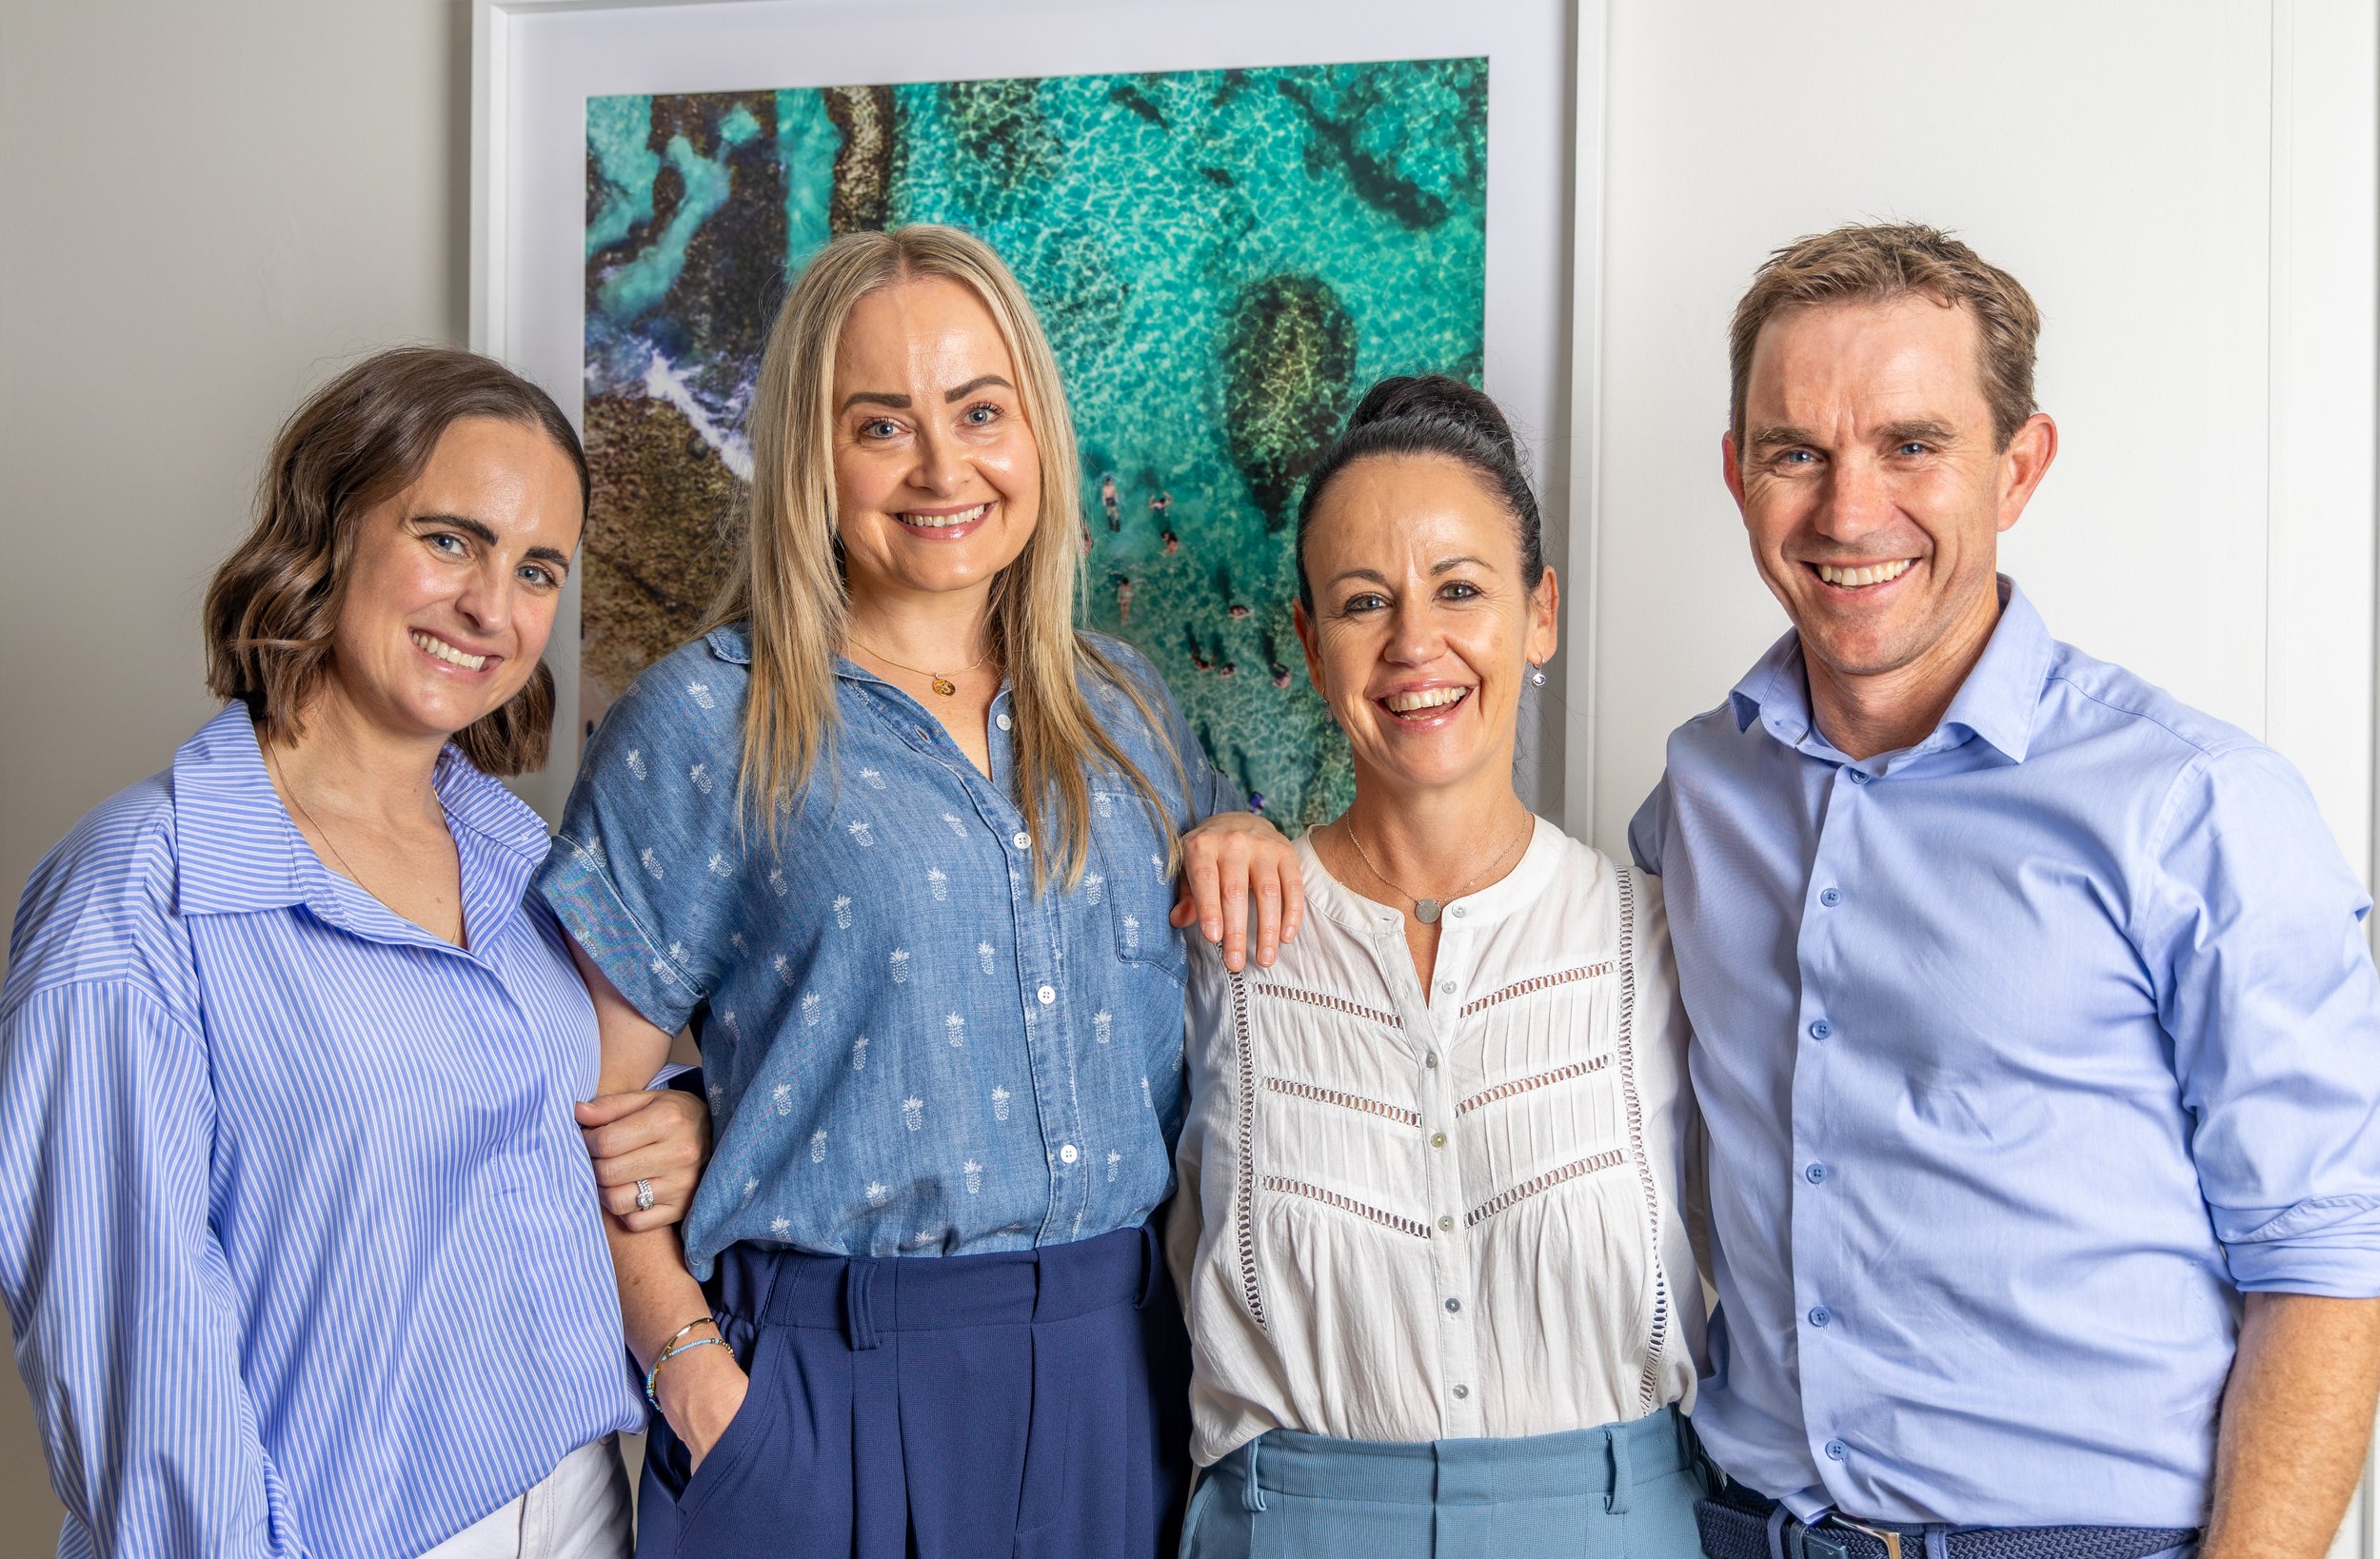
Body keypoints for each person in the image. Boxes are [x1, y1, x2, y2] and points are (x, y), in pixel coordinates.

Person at [535, 225, 1299, 1559]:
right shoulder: (704, 723)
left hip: (1116, 1374)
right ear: (808, 458)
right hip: (818, 1386)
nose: (944, 466)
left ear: (1036, 434)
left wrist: (1243, 826)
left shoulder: (1128, 712)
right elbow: (570, 1117)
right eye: (881, 424)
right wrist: (689, 1369)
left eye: (979, 411)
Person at [1630, 223, 2380, 1559]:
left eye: (1912, 443)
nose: (1849, 511)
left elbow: (2327, 1262)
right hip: (1743, 1528)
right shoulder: (1699, 791)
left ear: (2018, 467)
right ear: (1739, 476)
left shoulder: (2196, 805)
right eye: (1798, 451)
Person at [0, 347, 705, 1559]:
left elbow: (542, 1130)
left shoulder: (516, 854)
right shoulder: (138, 899)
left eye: (537, 568)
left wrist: (680, 1125)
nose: (494, 606)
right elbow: (140, 1369)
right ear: (327, 534)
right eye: (450, 541)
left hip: (588, 1501)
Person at [1168, 376, 1707, 1559]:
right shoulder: (1216, 940)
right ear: (1311, 644)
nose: (1416, 644)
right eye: (1365, 603)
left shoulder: (1661, 942)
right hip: (1290, 1526)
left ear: (1540, 613)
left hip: (1621, 1523)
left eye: (1460, 590)